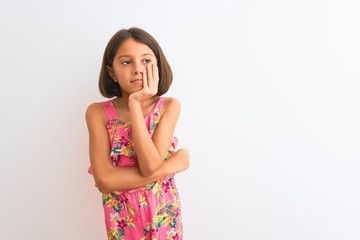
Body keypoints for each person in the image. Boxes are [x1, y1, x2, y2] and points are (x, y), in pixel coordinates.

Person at [85, 27, 190, 240]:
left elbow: (148, 165)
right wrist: (169, 166)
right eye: (126, 62)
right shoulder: (98, 113)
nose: (137, 69)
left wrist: (135, 106)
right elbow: (105, 181)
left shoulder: (168, 107)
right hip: (123, 220)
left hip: (163, 217)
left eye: (146, 61)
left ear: (158, 66)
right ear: (112, 72)